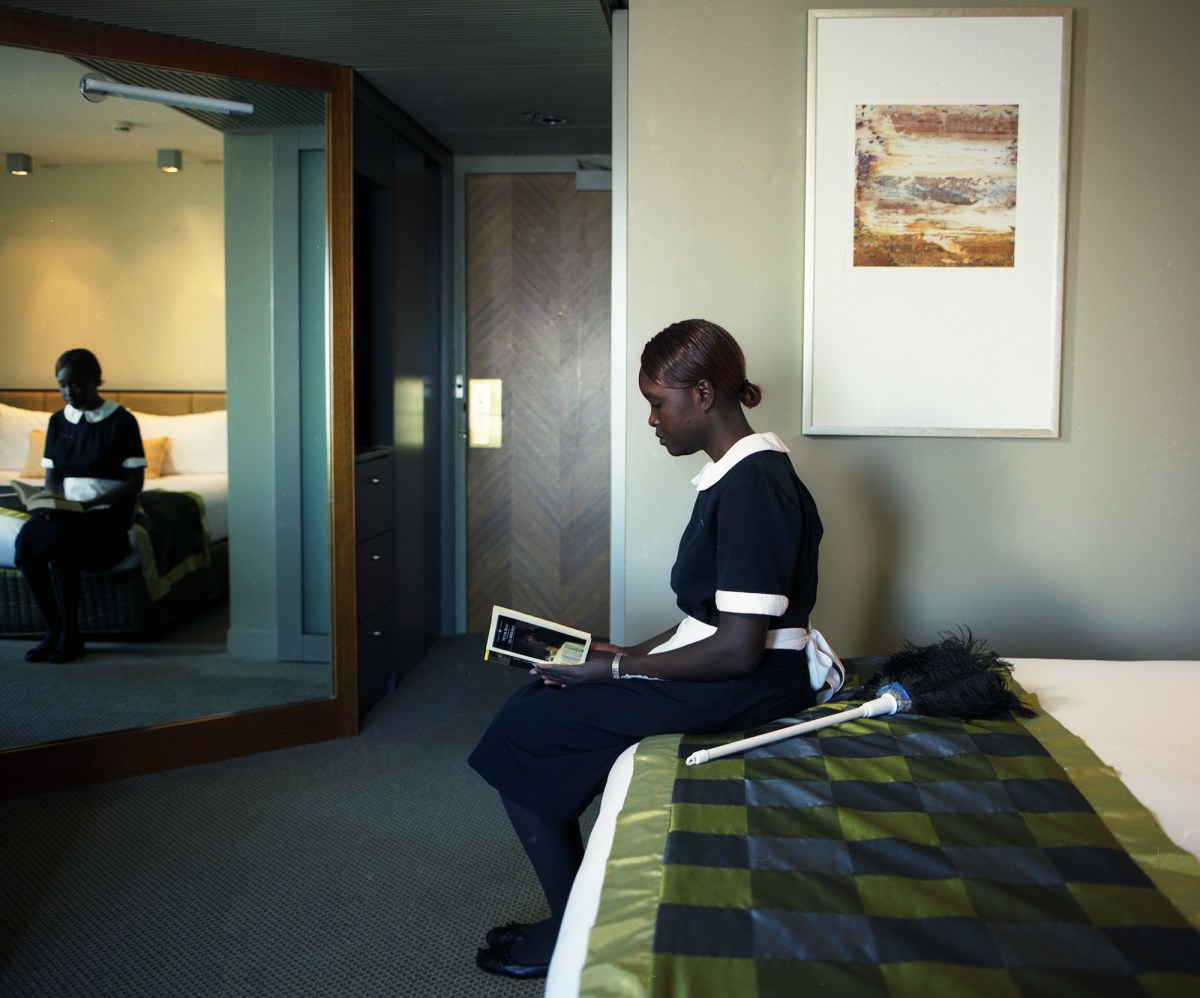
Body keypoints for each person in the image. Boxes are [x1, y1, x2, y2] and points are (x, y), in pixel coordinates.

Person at [468, 318, 842, 979]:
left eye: (656, 402)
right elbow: (703, 619)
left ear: (701, 395)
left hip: (750, 681)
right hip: (734, 665)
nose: (652, 419)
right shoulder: (734, 478)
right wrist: (615, 653)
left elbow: (735, 651)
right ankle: (581, 910)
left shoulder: (755, 488)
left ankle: (575, 930)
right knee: (542, 694)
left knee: (525, 731)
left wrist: (615, 669)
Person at [15, 349, 146, 663]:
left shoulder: (122, 420)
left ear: (96, 381)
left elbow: (134, 483)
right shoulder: (58, 421)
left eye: (77, 385)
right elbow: (53, 475)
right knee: (27, 542)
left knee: (62, 544)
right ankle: (53, 630)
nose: (68, 392)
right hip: (68, 508)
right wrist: (52, 501)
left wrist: (89, 504)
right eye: (62, 385)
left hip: (107, 508)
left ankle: (71, 634)